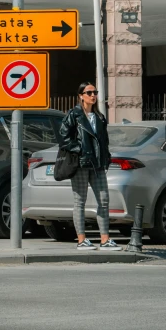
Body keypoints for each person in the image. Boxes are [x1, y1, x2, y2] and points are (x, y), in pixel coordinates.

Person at [59, 81, 122, 251]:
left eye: (95, 92)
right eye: (89, 92)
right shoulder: (74, 115)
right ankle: (81, 240)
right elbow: (64, 138)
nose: (93, 95)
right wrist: (80, 149)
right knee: (80, 201)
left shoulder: (100, 117)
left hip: (98, 164)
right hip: (80, 163)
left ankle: (105, 239)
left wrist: (106, 157)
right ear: (81, 96)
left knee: (104, 200)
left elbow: (104, 141)